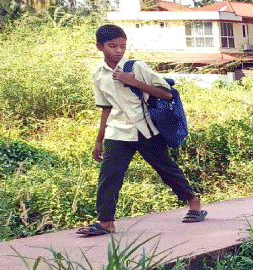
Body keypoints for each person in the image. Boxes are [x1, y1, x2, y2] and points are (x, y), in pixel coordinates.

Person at [78, 24, 206, 236]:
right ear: (99, 47)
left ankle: (194, 204)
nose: (119, 50)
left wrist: (134, 82)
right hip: (117, 132)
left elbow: (166, 94)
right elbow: (106, 108)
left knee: (166, 169)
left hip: (146, 130)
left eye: (122, 46)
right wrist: (99, 141)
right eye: (112, 46)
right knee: (109, 176)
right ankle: (105, 222)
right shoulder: (98, 75)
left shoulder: (136, 67)